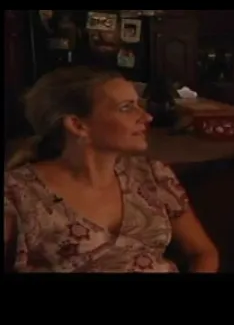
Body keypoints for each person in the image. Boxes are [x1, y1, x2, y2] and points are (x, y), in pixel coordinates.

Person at [4, 66, 219, 273]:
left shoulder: (153, 174)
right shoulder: (18, 192)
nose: (146, 117)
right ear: (78, 125)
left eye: (138, 104)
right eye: (126, 107)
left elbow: (203, 252)